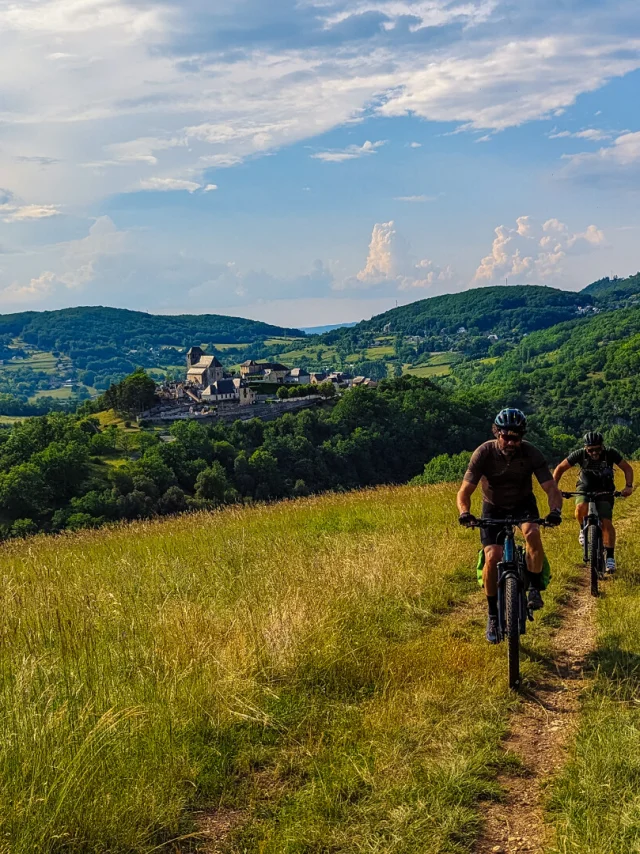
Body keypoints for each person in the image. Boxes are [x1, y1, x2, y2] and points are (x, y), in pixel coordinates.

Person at [456, 408, 563, 643]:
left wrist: (555, 511)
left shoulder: (531, 453)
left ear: (522, 436)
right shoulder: (483, 453)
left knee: (532, 532)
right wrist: (465, 513)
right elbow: (464, 491)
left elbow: (550, 488)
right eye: (506, 436)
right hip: (492, 507)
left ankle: (534, 588)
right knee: (492, 556)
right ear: (497, 433)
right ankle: (493, 615)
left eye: (516, 437)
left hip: (523, 504)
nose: (510, 441)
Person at [552, 431, 634, 574]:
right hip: (585, 486)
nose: (594, 453)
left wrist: (628, 486)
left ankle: (610, 557)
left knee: (606, 521)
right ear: (585, 448)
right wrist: (554, 488)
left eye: (598, 449)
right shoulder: (579, 454)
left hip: (605, 488)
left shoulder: (610, 453)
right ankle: (582, 529)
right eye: (591, 450)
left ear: (602, 446)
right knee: (580, 507)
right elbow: (559, 468)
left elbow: (627, 468)